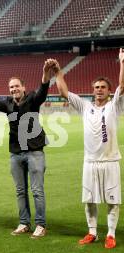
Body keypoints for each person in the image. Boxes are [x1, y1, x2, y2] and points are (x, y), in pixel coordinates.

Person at [53, 48, 124, 249]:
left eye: (103, 87)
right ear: (93, 90)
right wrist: (59, 73)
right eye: (96, 87)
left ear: (109, 91)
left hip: (110, 161)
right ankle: (92, 232)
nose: (99, 89)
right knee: (89, 200)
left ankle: (110, 234)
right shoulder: (85, 106)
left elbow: (122, 84)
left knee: (112, 200)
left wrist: (122, 62)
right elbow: (63, 92)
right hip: (90, 162)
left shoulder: (114, 106)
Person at [0, 59, 56, 238]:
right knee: (20, 191)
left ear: (23, 87)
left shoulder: (32, 100)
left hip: (35, 151)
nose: (13, 89)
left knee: (37, 190)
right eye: (11, 87)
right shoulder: (8, 104)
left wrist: (45, 73)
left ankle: (40, 225)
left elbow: (43, 90)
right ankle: (24, 223)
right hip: (15, 153)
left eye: (16, 86)